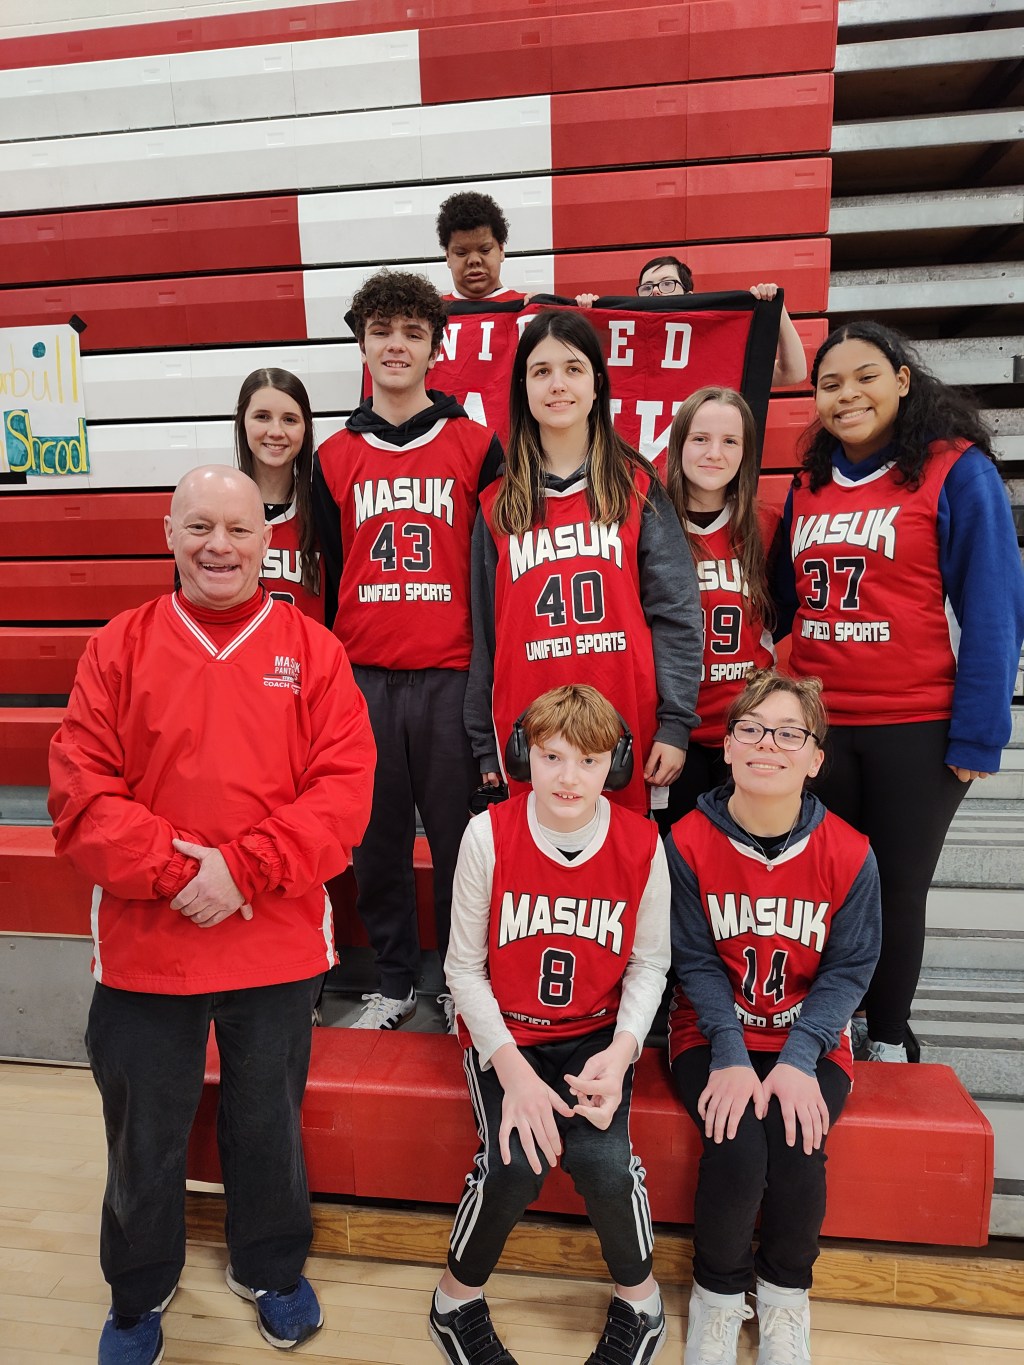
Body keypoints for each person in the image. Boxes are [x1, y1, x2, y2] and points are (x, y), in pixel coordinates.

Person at [47, 466, 375, 1365]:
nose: (218, 545)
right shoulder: (118, 645)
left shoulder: (313, 651)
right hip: (149, 943)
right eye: (198, 527)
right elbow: (79, 796)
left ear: (269, 538)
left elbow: (343, 796)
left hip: (273, 938)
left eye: (236, 528)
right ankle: (139, 1288)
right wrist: (182, 873)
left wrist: (243, 869)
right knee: (143, 1129)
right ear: (168, 532)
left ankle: (269, 1265)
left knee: (266, 1117)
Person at [776, 319, 1024, 1062]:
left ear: (903, 380)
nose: (847, 394)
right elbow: (785, 598)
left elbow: (992, 606)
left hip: (914, 724)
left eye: (865, 376)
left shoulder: (955, 468)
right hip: (820, 726)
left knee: (896, 888)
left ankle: (886, 1033)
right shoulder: (808, 483)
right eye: (830, 384)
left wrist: (981, 732)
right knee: (829, 886)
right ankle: (830, 1025)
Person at [435, 684, 671, 1365]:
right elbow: (462, 970)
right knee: (514, 1163)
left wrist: (623, 1051)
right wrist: (512, 1070)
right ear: (523, 756)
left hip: (594, 1037)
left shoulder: (640, 844)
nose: (570, 777)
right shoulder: (489, 833)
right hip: (507, 1034)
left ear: (614, 766)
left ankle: (642, 1298)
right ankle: (455, 1297)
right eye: (552, 756)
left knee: (603, 1162)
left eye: (590, 761)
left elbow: (649, 965)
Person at [667, 669, 881, 1365]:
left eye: (790, 732)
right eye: (752, 729)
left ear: (814, 757)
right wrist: (730, 1052)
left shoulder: (850, 852)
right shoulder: (688, 840)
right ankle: (718, 1297)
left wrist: (797, 1059)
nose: (769, 744)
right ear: (726, 747)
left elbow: (849, 970)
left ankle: (786, 1295)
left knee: (796, 1140)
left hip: (807, 1037)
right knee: (735, 1145)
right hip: (711, 1031)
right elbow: (693, 960)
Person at [313, 269, 503, 1031]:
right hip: (363, 678)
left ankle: (462, 980)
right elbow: (329, 576)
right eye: (382, 331)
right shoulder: (331, 456)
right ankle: (395, 980)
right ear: (363, 342)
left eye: (412, 332)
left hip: (451, 675)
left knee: (462, 844)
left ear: (436, 347)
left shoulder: (477, 445)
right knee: (377, 843)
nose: (396, 345)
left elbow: (495, 573)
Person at [465, 308, 702, 817]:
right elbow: (486, 633)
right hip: (527, 730)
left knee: (621, 879)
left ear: (597, 384)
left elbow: (677, 612)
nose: (557, 385)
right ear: (522, 388)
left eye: (572, 369)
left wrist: (675, 720)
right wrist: (484, 739)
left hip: (623, 723)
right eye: (541, 371)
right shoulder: (497, 504)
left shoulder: (637, 489)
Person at [657, 387, 778, 830]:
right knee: (677, 870)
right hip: (674, 739)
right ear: (678, 444)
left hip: (747, 734)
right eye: (700, 438)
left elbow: (778, 621)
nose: (714, 453)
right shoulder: (648, 522)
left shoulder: (765, 526)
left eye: (730, 441)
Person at [577, 254, 807, 387]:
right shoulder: (622, 349)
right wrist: (584, 318)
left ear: (689, 297)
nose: (655, 292)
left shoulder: (710, 350)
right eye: (647, 288)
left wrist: (776, 309)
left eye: (667, 284)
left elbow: (792, 373)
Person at [234, 366, 323, 620]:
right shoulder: (217, 507)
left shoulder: (325, 510)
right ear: (242, 422)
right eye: (262, 417)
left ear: (305, 428)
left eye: (289, 419)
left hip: (308, 659)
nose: (275, 431)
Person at [437, 190, 525, 303]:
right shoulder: (429, 315)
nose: (474, 260)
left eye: (485, 250)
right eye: (461, 253)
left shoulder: (529, 308)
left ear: (501, 250)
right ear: (448, 256)